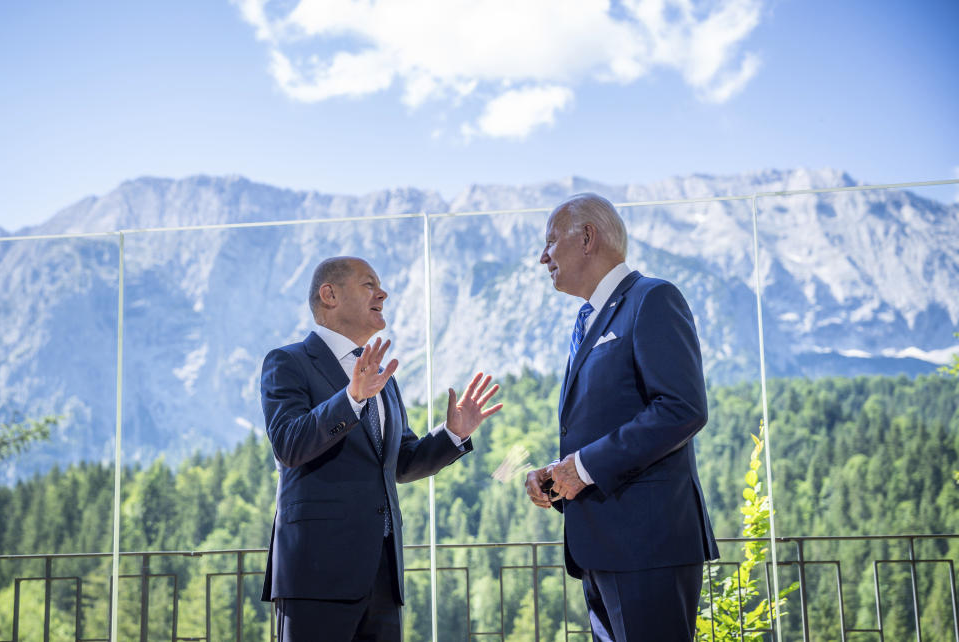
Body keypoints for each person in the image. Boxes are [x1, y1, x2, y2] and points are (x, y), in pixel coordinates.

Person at [260, 256, 502, 641]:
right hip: (316, 575)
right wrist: (351, 398)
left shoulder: (382, 378)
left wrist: (452, 435)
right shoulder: (287, 362)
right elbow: (289, 444)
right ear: (330, 294)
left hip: (383, 576)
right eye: (369, 284)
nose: (383, 293)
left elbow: (400, 463)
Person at [524, 194, 719, 641]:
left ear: (587, 237)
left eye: (551, 242)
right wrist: (557, 476)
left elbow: (681, 407)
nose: (542, 257)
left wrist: (584, 467)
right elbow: (600, 423)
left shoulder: (652, 298)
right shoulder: (588, 319)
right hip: (602, 548)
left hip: (647, 546)